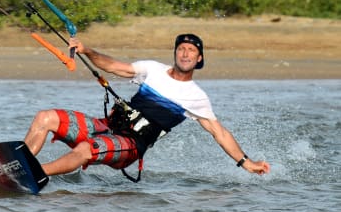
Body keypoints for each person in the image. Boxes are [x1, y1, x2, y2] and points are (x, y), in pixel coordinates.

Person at [23, 33, 270, 179]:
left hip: (131, 146)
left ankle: (34, 173)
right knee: (45, 117)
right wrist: (87, 50)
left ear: (199, 58)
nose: (185, 54)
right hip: (106, 128)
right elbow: (112, 66)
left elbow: (220, 133)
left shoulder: (196, 97)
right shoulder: (153, 69)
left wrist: (246, 163)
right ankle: (19, 162)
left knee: (87, 148)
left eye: (191, 51)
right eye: (181, 49)